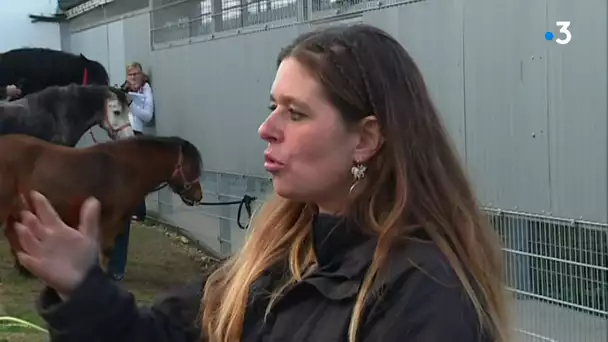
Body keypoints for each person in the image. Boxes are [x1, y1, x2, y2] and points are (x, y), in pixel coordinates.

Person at [13, 24, 512, 342]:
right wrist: (80, 287)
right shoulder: (274, 258)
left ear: (365, 140)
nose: (266, 128)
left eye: (295, 113)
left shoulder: (427, 296)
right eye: (272, 106)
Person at [107, 62, 155, 281]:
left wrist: (130, 104)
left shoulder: (145, 92)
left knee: (136, 179)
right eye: (129, 74)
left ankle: (138, 210)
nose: (132, 77)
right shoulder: (124, 90)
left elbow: (147, 115)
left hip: (137, 136)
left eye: (136, 74)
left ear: (142, 76)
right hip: (123, 136)